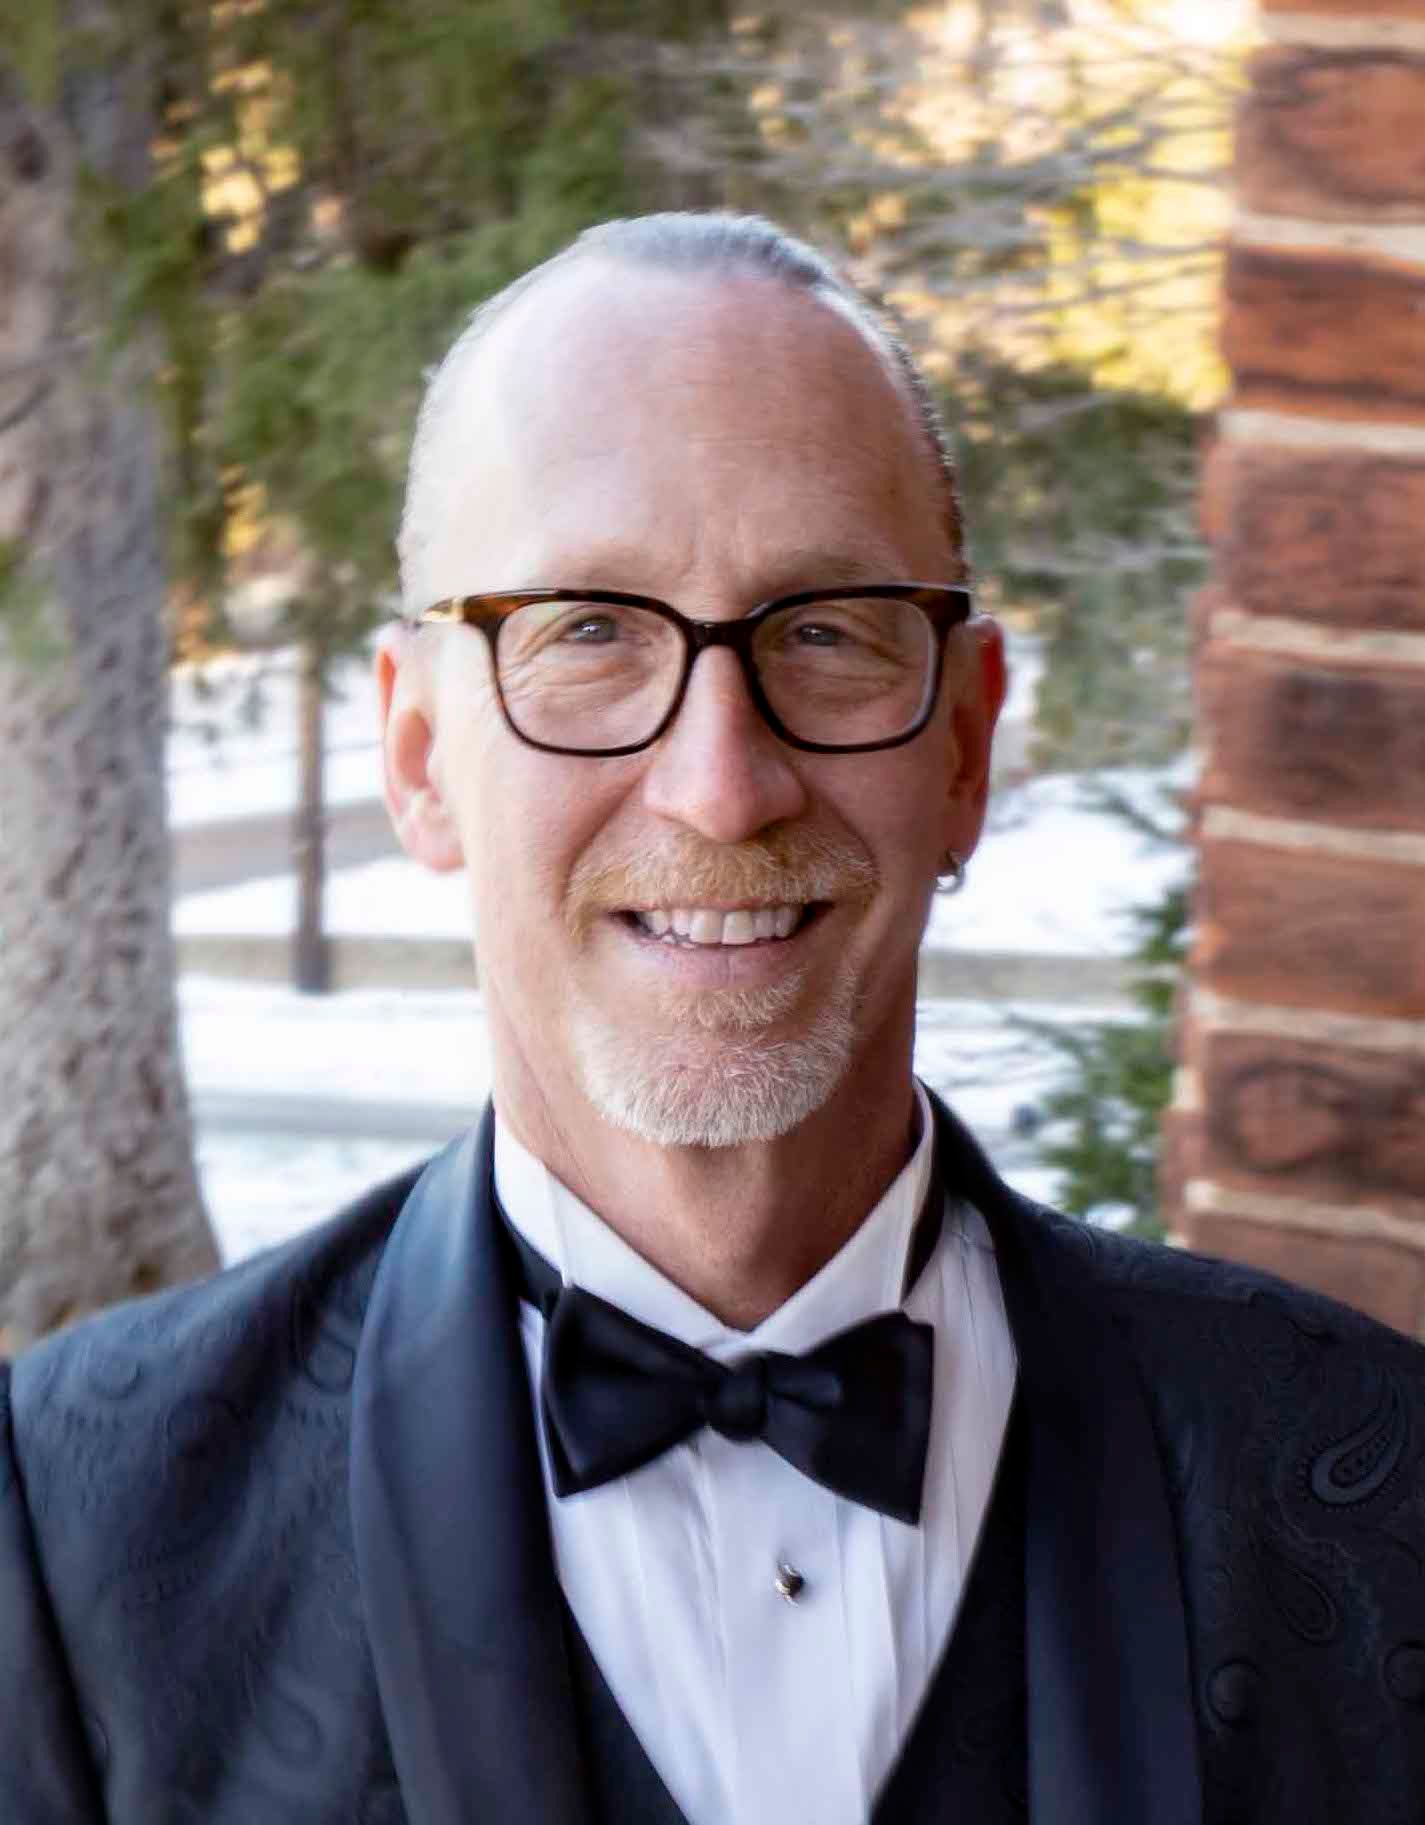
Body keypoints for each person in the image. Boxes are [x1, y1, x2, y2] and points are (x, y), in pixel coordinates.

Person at [3, 212, 1425, 1825]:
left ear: (964, 749)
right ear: (417, 757)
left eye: (822, 631)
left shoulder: (1376, 1479)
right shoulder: (71, 1526)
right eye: (588, 631)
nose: (720, 785)